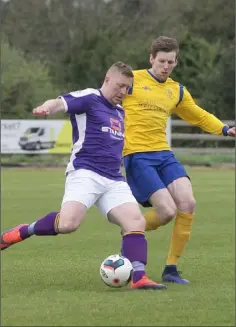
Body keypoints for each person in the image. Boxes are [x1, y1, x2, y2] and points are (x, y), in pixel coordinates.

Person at [0, 61, 167, 290]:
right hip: (85, 173)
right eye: (119, 85)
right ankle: (21, 231)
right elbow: (60, 102)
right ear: (107, 79)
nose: (123, 92)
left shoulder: (120, 112)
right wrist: (47, 108)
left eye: (127, 88)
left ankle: (139, 277)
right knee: (68, 224)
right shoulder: (90, 97)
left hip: (113, 179)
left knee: (135, 220)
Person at [122, 36, 235, 284]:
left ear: (176, 61)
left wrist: (225, 129)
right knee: (167, 212)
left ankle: (171, 269)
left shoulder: (176, 90)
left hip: (163, 153)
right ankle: (132, 229)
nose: (166, 66)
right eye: (161, 61)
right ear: (151, 58)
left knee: (188, 202)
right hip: (137, 155)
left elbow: (198, 115)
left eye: (170, 62)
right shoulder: (131, 80)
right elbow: (104, 98)